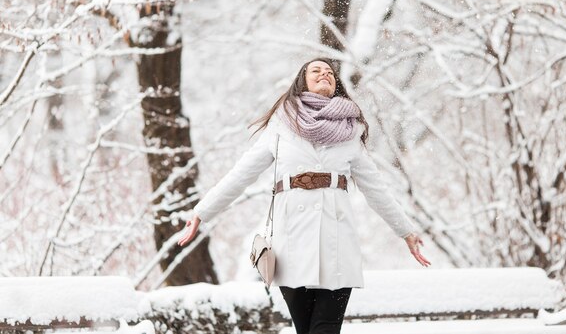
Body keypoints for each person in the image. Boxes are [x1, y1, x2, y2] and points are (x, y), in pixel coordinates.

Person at [178, 57, 431, 334]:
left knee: (324, 329)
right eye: (316, 71)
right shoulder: (281, 125)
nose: (325, 74)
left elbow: (376, 188)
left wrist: (405, 230)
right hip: (291, 244)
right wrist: (202, 212)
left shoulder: (350, 132)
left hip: (337, 245)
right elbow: (242, 174)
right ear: (303, 82)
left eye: (329, 73)